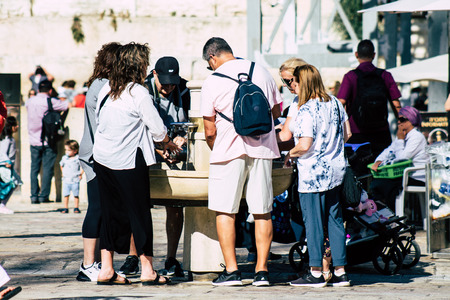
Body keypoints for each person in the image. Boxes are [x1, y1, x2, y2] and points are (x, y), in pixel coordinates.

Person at [93, 42, 177, 285]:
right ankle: (148, 269)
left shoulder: (106, 89)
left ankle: (106, 268)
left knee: (109, 214)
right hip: (128, 160)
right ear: (137, 65)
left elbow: (101, 121)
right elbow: (157, 128)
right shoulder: (138, 92)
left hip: (103, 158)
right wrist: (167, 143)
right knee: (139, 214)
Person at [201, 37, 282, 286]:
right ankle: (262, 272)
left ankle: (233, 271)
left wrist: (216, 148)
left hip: (228, 150)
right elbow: (276, 113)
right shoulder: (262, 71)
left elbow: (209, 128)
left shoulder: (213, 80)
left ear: (212, 57)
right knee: (262, 211)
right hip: (263, 148)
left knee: (225, 210)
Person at [118, 56, 190, 278]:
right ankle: (133, 256)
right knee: (138, 207)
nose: (169, 88)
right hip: (144, 151)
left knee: (176, 206)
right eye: (164, 83)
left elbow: (189, 121)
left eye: (172, 83)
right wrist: (159, 148)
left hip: (173, 151)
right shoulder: (141, 90)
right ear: (154, 74)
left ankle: (171, 257)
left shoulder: (185, 90)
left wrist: (183, 139)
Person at [286, 64, 351, 287]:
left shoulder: (306, 110)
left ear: (303, 82)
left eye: (295, 81)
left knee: (313, 222)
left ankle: (315, 272)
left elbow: (304, 144)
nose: (292, 85)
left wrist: (289, 154)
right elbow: (348, 133)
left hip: (312, 174)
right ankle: (341, 271)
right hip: (336, 170)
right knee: (334, 220)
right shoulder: (334, 103)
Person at [77, 42, 121, 282]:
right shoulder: (102, 86)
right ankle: (87, 264)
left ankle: (102, 264)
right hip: (96, 156)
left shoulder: (98, 84)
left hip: (97, 154)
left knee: (104, 210)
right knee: (96, 208)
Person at [337, 39, 402, 158]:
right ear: (374, 55)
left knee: (356, 169)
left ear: (356, 54)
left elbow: (341, 102)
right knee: (381, 165)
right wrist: (402, 124)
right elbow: (396, 104)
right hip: (381, 132)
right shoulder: (385, 75)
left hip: (356, 133)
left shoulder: (350, 77)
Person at [370, 106, 429, 211]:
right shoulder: (403, 136)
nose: (398, 122)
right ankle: (388, 211)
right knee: (379, 182)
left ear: (411, 120)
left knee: (386, 185)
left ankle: (395, 213)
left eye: (402, 119)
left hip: (417, 176)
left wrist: (400, 140)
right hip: (405, 174)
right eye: (398, 119)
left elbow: (402, 158)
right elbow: (389, 150)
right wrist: (379, 161)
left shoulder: (416, 136)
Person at [25, 80, 69, 204]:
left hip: (33, 140)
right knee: (48, 169)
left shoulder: (30, 101)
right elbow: (67, 105)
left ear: (38, 89)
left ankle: (33, 196)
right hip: (48, 140)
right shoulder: (50, 101)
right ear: (50, 90)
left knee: (34, 169)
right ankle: (43, 196)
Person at [0, 116, 20, 215]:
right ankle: (2, 204)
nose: (17, 126)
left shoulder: (11, 139)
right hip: (5, 165)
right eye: (15, 125)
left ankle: (2, 204)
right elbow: (3, 152)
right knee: (12, 183)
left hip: (8, 165)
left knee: (13, 183)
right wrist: (6, 162)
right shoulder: (6, 139)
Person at [59, 140, 83, 214]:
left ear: (75, 151)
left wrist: (80, 174)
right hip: (66, 179)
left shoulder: (77, 159)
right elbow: (61, 165)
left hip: (75, 179)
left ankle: (76, 207)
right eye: (66, 150)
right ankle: (66, 207)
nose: (67, 152)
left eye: (69, 150)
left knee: (76, 194)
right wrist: (63, 172)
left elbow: (82, 167)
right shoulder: (64, 158)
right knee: (66, 194)